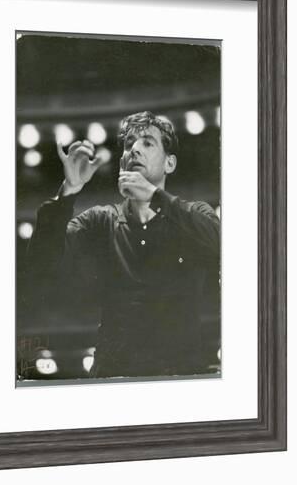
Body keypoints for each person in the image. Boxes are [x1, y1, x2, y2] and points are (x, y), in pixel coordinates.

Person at [26, 111, 220, 379]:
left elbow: (220, 247)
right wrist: (68, 191)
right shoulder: (99, 220)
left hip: (181, 376)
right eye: (129, 145)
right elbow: (40, 264)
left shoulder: (194, 214)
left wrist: (155, 197)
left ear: (170, 164)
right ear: (121, 162)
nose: (135, 149)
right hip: (113, 376)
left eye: (147, 143)